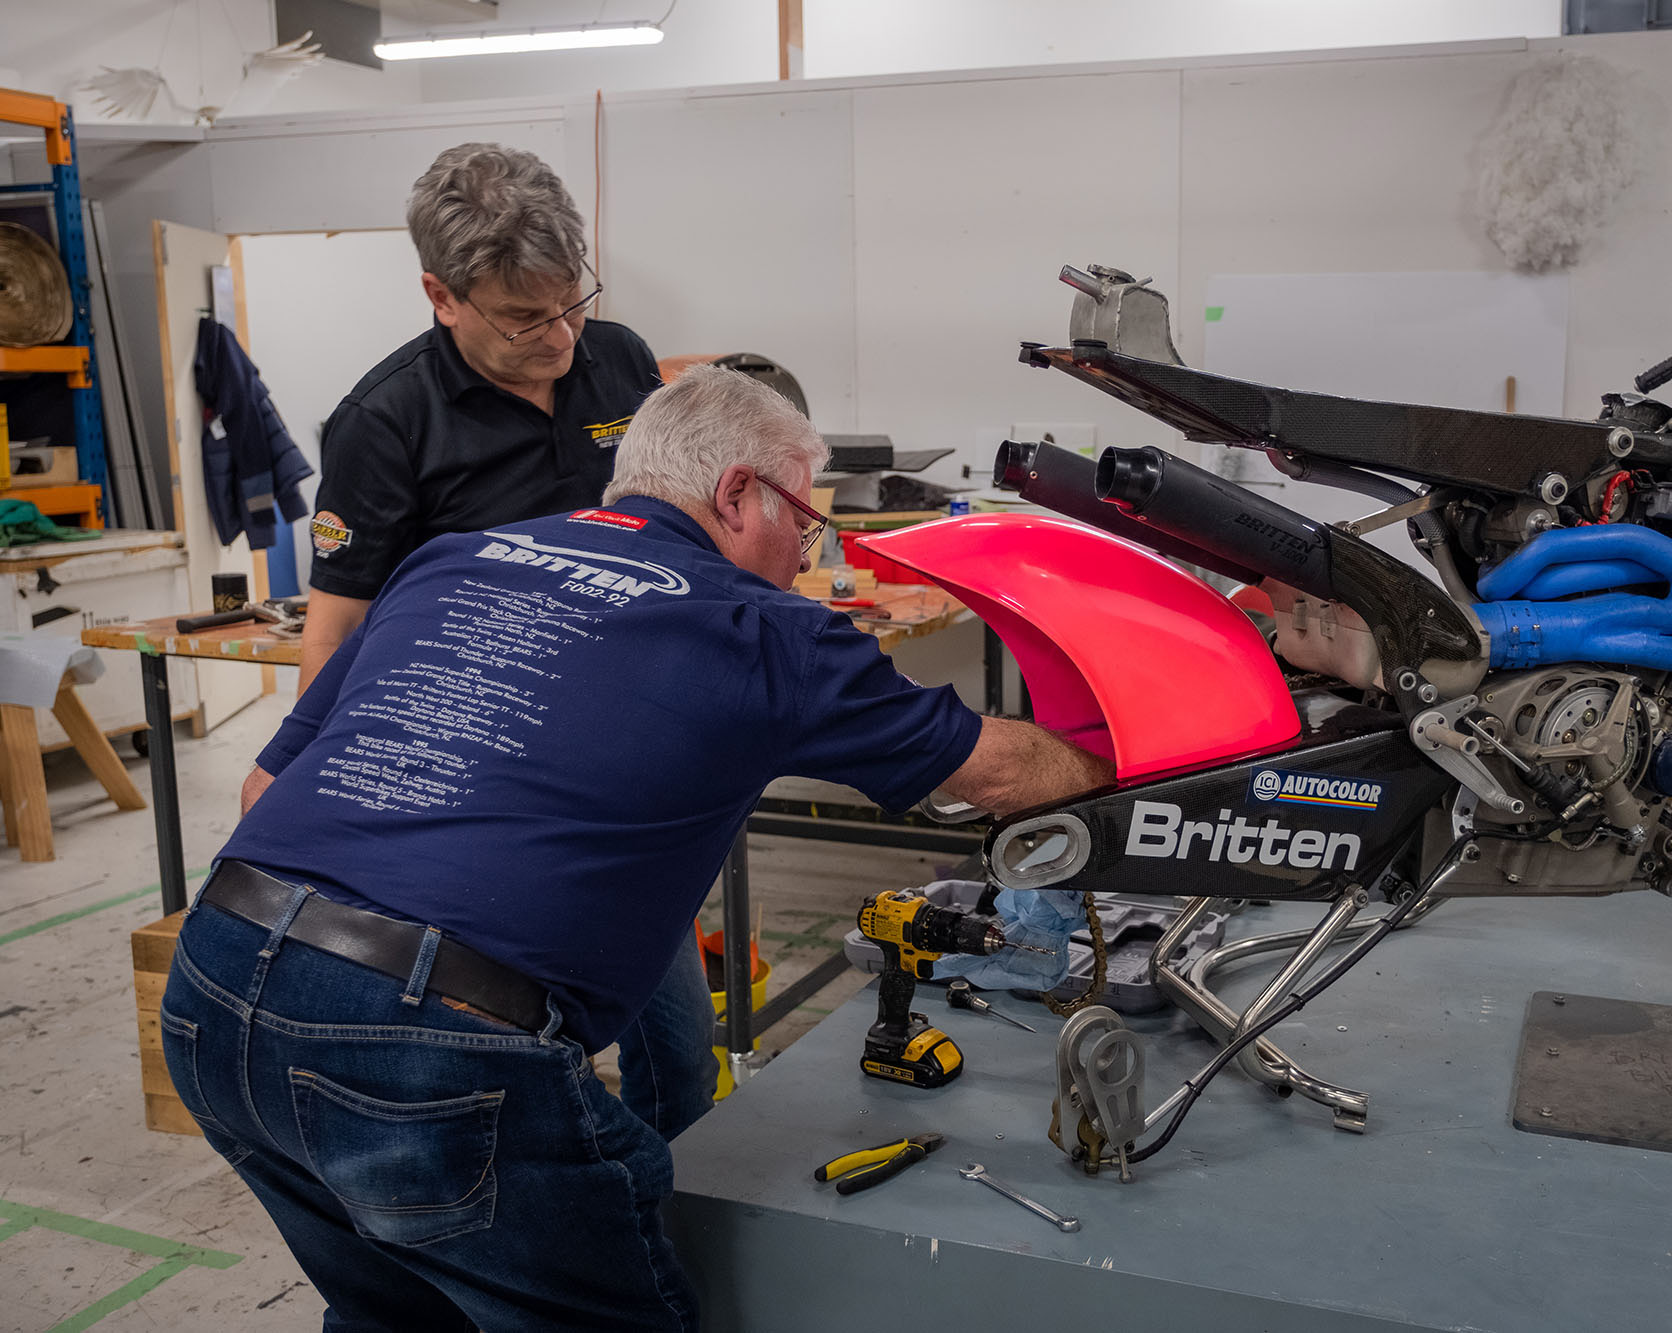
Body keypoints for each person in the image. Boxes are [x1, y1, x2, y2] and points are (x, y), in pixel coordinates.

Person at [163, 365, 1113, 1329]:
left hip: (214, 984)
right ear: (739, 492)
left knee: (398, 1313)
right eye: (804, 521)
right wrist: (1145, 758)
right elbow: (999, 775)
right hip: (428, 1045)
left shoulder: (455, 557)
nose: (805, 557)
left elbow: (262, 789)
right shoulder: (763, 627)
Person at [249, 141, 718, 1143]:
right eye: (524, 316)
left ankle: (678, 1239)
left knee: (679, 1051)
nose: (560, 336)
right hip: (475, 784)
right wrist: (303, 788)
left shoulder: (620, 360)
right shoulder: (384, 424)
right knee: (506, 1057)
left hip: (626, 771)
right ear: (441, 293)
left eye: (571, 301)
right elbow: (336, 627)